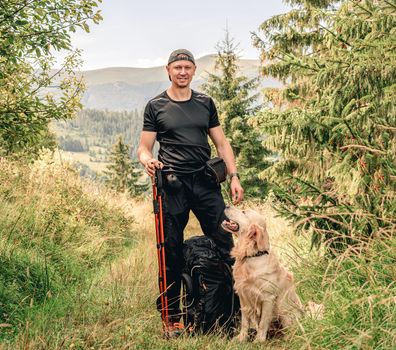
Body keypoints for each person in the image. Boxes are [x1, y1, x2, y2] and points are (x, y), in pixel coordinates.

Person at [137, 49, 244, 337]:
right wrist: (148, 160)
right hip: (172, 185)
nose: (182, 72)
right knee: (170, 249)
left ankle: (235, 309)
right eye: (177, 67)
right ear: (168, 70)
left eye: (187, 67)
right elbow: (144, 146)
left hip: (206, 182)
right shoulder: (155, 105)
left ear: (194, 71)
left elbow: (221, 143)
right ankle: (173, 318)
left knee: (226, 243)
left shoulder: (205, 103)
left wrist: (233, 177)